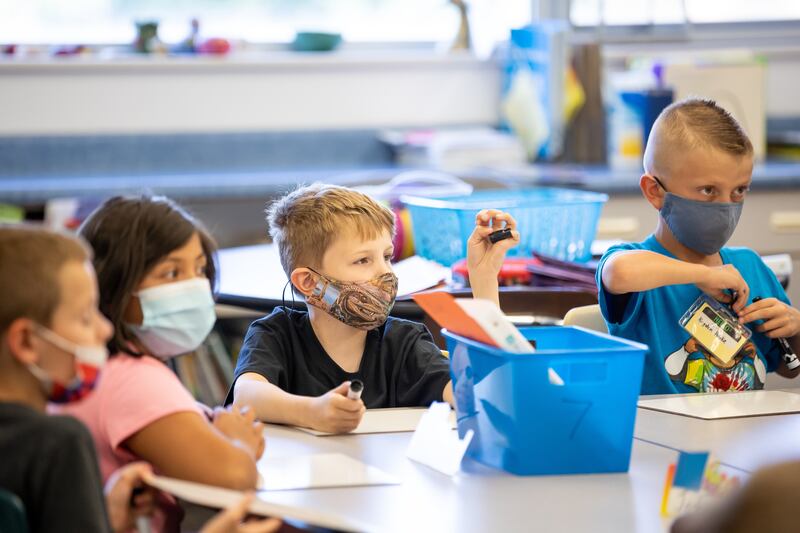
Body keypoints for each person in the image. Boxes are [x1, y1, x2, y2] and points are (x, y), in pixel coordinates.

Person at [0, 225, 280, 533]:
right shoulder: (57, 443)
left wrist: (105, 522)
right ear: (26, 342)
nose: (104, 329)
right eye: (85, 316)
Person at [227, 183, 518, 433]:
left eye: (388, 257)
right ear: (308, 282)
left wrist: (484, 281)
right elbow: (247, 396)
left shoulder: (404, 342)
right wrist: (313, 412)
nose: (386, 273)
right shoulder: (276, 334)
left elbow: (478, 392)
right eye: (363, 260)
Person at [56, 196, 265, 531]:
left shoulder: (101, 368)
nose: (195, 286)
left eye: (199, 270)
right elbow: (236, 477)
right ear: (112, 288)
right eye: (171, 273)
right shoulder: (134, 379)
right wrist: (238, 442)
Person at [596, 98, 800, 394]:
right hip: (664, 437)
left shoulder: (750, 267)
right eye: (708, 190)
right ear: (655, 192)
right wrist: (702, 275)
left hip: (740, 435)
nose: (725, 207)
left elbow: (789, 368)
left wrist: (795, 328)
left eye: (739, 190)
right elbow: (617, 273)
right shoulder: (635, 265)